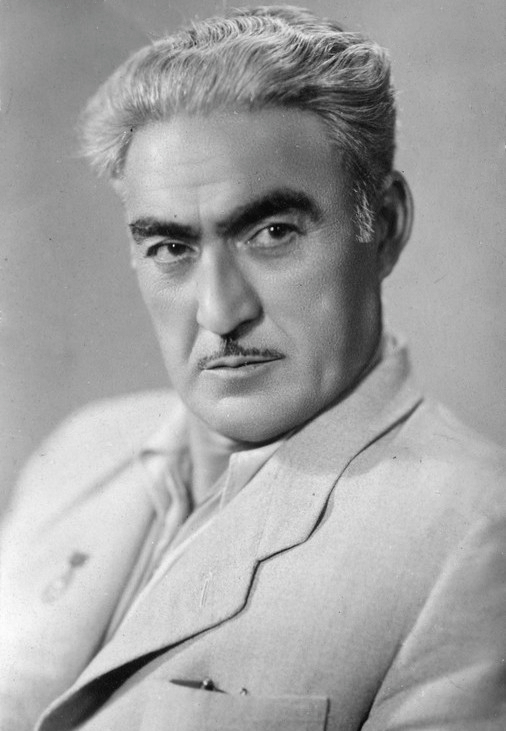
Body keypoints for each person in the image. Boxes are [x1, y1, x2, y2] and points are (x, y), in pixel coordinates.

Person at [1, 5, 505, 730]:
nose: (219, 311)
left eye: (271, 232)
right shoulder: (78, 452)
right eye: (171, 247)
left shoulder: (479, 532)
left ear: (387, 226)